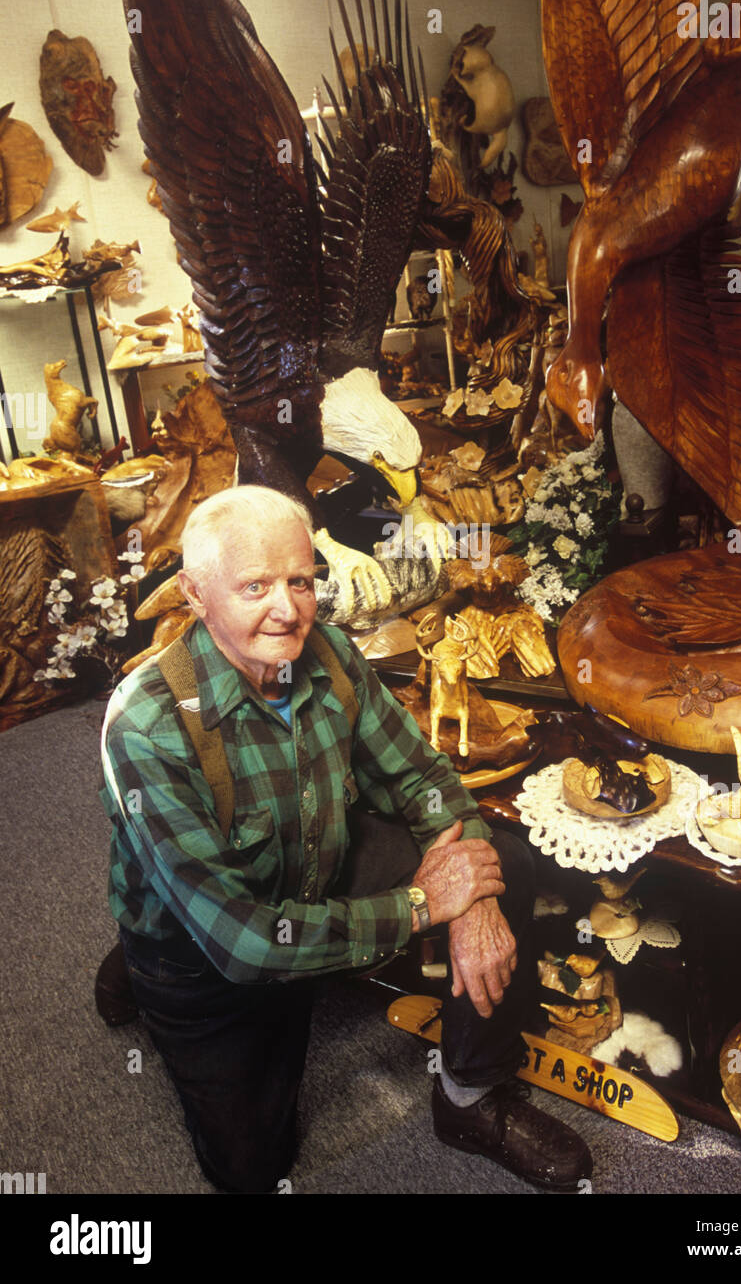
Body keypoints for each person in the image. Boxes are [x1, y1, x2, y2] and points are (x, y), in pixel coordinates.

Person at [99, 485, 591, 1193]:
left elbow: (421, 777)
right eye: (255, 586)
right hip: (212, 956)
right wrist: (427, 906)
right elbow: (247, 945)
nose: (287, 607)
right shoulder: (147, 725)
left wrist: (473, 900)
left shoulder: (326, 651)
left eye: (300, 580)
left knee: (501, 863)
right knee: (256, 1168)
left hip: (314, 870)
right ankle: (137, 945)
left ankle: (470, 1098)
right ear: (195, 594)